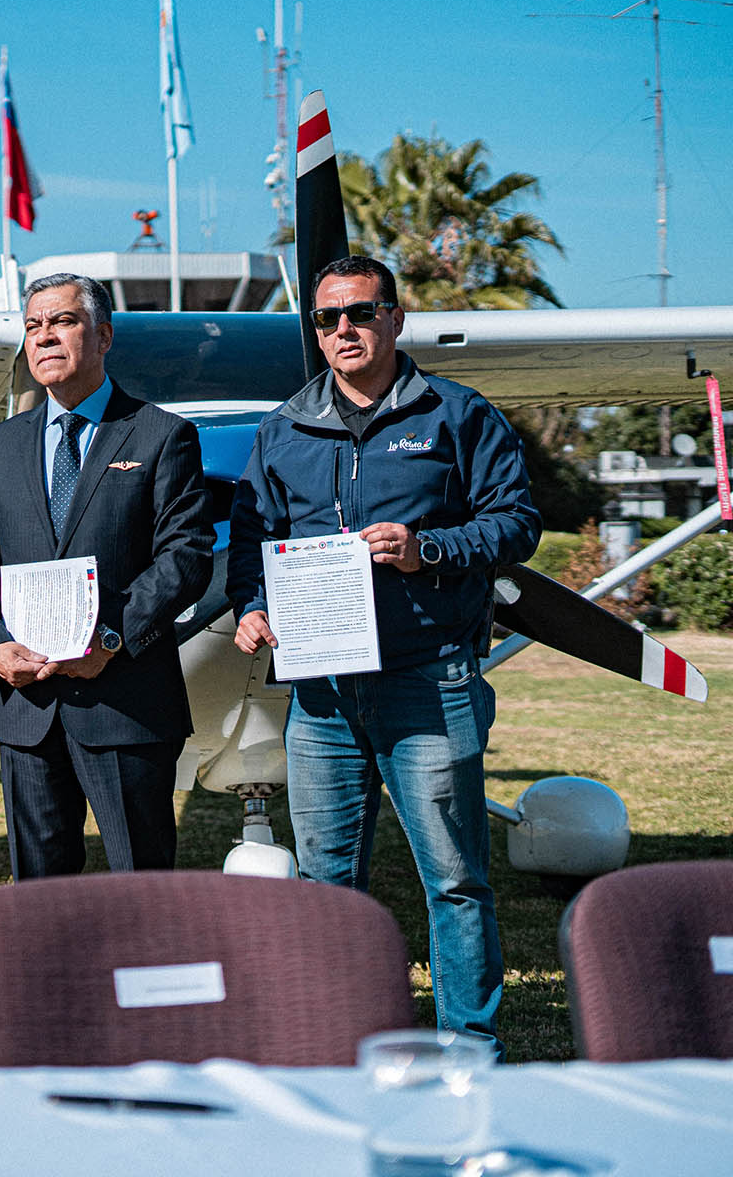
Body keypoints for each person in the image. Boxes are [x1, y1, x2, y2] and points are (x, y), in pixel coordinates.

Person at [227, 254, 540, 1052]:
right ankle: (342, 1044)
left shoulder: (458, 415)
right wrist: (254, 608)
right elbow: (253, 540)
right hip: (322, 695)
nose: (343, 330)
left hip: (428, 679)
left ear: (396, 319)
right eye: (327, 318)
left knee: (457, 881)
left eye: (361, 313)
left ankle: (470, 1049)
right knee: (328, 887)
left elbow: (516, 523)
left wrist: (424, 548)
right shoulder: (282, 427)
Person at [0, 272, 212, 876]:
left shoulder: (162, 435)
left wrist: (111, 639)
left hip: (126, 700)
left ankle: (145, 975)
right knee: (40, 900)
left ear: (103, 335)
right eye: (34, 325)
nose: (45, 337)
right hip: (27, 704)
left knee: (141, 885)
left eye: (63, 321)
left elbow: (186, 555)